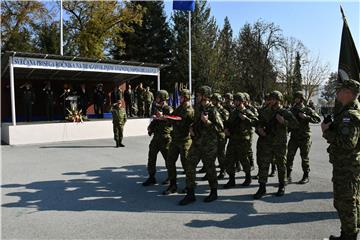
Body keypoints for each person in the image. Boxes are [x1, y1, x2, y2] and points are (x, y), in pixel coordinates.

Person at [322, 79, 360, 240]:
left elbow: (347, 143)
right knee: (352, 201)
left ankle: (349, 236)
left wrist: (326, 132)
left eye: (340, 90)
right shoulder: (348, 112)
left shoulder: (349, 116)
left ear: (348, 93)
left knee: (345, 203)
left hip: (347, 166)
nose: (337, 93)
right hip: (348, 165)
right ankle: (348, 233)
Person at [179, 86, 223, 205]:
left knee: (210, 168)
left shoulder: (213, 110)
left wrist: (207, 122)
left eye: (198, 95)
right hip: (197, 142)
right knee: (189, 164)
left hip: (209, 145)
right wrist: (192, 128)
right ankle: (190, 193)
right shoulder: (197, 108)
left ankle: (214, 192)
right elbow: (195, 122)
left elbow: (220, 129)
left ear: (204, 96)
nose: (196, 97)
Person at [253, 91, 298, 199]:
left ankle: (282, 185)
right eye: (271, 99)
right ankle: (262, 187)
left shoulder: (285, 112)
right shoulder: (265, 111)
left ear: (279, 100)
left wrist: (284, 122)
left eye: (274, 99)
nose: (271, 101)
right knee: (264, 165)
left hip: (280, 143)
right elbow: (258, 122)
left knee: (281, 165)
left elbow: (295, 124)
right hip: (266, 142)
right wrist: (259, 129)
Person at [223, 92, 258, 189]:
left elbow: (256, 122)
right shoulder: (233, 112)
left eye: (237, 100)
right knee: (229, 160)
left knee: (244, 160)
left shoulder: (247, 112)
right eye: (234, 100)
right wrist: (226, 129)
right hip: (233, 139)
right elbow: (228, 122)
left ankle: (248, 177)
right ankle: (231, 179)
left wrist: (246, 119)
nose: (235, 102)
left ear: (242, 101)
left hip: (243, 140)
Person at [163, 89, 194, 195]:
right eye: (180, 96)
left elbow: (182, 124)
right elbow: (173, 117)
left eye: (181, 97)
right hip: (175, 139)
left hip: (185, 140)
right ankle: (172, 185)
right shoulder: (179, 108)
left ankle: (189, 186)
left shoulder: (189, 110)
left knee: (186, 164)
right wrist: (166, 117)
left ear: (186, 98)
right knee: (170, 161)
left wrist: (171, 119)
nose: (179, 98)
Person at [286, 91, 321, 184]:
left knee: (304, 157)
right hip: (294, 137)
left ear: (301, 99)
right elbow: (288, 122)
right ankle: (288, 176)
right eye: (295, 97)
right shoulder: (292, 110)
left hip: (304, 137)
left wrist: (306, 117)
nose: (295, 99)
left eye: (297, 97)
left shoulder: (307, 109)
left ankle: (306, 176)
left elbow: (318, 119)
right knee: (289, 156)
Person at [143, 90, 173, 186]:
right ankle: (151, 177)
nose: (156, 99)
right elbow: (155, 120)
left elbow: (172, 120)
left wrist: (163, 116)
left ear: (163, 98)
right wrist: (150, 127)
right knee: (151, 157)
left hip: (165, 138)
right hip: (156, 137)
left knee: (168, 159)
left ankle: (170, 177)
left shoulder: (168, 108)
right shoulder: (156, 107)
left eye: (158, 97)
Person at [211, 93, 229, 179]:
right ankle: (210, 172)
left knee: (221, 154)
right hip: (212, 135)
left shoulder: (223, 111)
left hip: (220, 135)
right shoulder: (211, 109)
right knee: (211, 154)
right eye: (212, 100)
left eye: (214, 100)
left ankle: (223, 170)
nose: (213, 101)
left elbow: (226, 123)